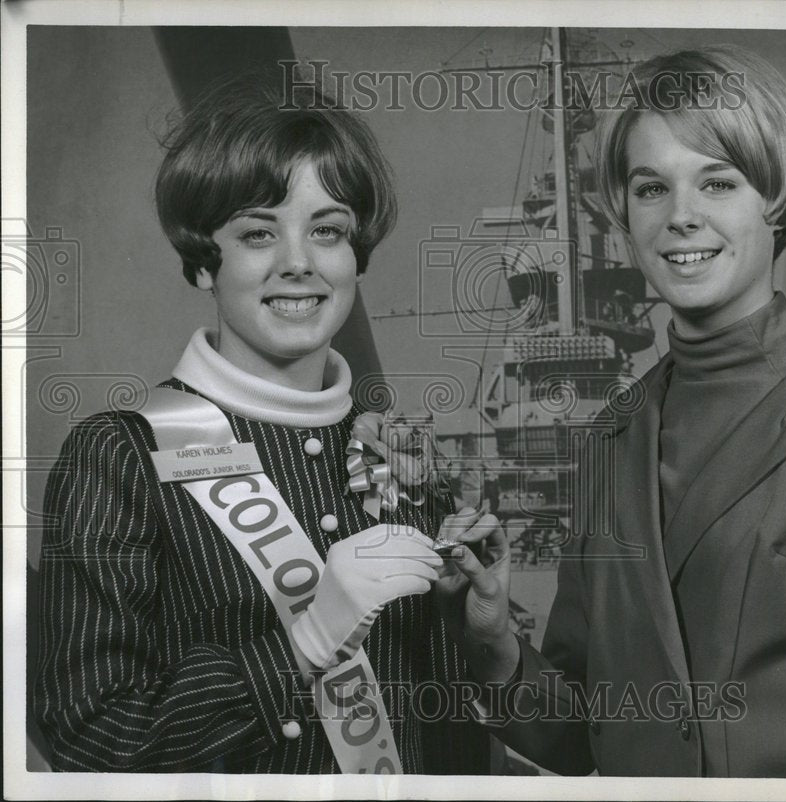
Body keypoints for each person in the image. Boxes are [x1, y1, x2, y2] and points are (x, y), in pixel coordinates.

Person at [436, 45, 786, 778]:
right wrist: (494, 638)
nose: (682, 217)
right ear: (623, 213)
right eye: (652, 189)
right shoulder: (611, 440)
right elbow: (574, 734)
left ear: (777, 200)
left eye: (717, 183)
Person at [33, 71, 494, 774]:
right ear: (202, 265)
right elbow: (93, 740)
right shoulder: (120, 454)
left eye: (328, 231)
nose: (299, 264)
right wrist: (307, 644)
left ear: (355, 254)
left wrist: (476, 635)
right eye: (257, 233)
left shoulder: (396, 451)